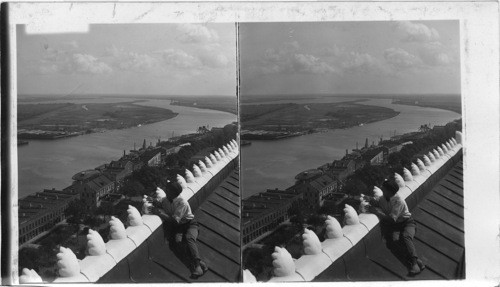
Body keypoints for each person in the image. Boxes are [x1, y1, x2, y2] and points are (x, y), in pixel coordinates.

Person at [365, 177, 425, 275]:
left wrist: (376, 212)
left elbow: (392, 218)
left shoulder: (398, 201)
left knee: (405, 237)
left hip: (407, 223)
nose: (382, 190)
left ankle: (414, 264)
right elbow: (378, 202)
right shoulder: (384, 198)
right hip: (396, 226)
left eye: (384, 189)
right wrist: (370, 199)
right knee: (391, 243)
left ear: (389, 191)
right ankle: (418, 261)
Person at [151, 181, 208, 278]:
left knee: (189, 238)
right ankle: (197, 264)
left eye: (168, 190)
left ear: (173, 192)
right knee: (176, 244)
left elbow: (175, 220)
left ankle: (198, 268)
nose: (166, 191)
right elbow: (164, 205)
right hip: (180, 228)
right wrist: (154, 201)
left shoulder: (182, 203)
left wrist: (159, 213)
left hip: (190, 224)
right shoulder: (166, 200)